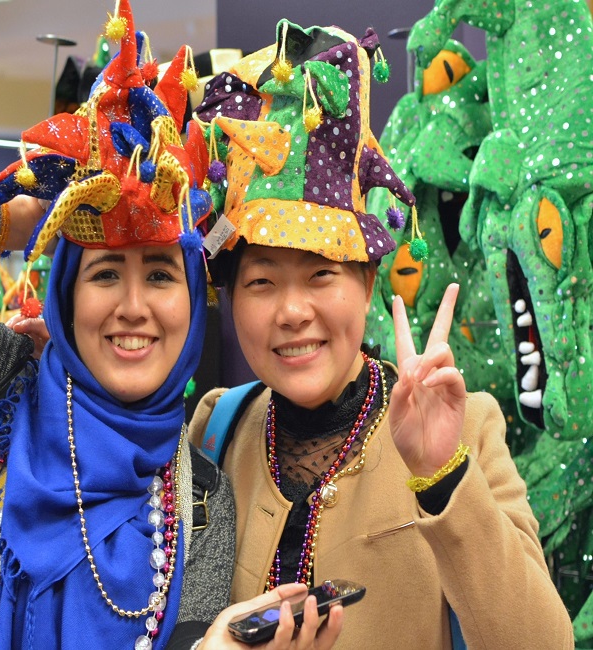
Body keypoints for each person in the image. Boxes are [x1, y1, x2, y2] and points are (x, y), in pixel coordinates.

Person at [0, 3, 343, 649]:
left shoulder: (201, 503)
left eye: (163, 276)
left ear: (196, 300)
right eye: (105, 272)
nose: (134, 306)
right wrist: (23, 210)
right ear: (64, 292)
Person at [187, 19, 575, 649]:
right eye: (261, 282)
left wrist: (442, 475)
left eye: (321, 275)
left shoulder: (466, 429)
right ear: (231, 299)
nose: (292, 311)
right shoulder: (216, 431)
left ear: (368, 287)